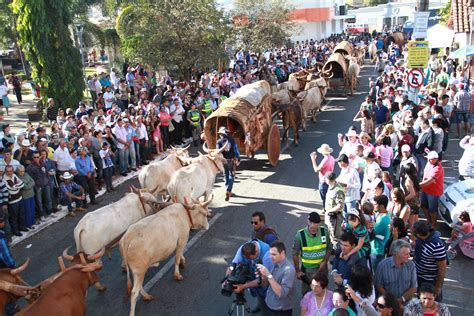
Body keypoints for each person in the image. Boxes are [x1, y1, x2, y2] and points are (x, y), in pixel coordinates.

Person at [229, 239, 272, 314]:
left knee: (269, 303)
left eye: (252, 258)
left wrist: (242, 287)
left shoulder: (267, 254)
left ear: (256, 252)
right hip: (256, 278)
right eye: (248, 259)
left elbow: (263, 280)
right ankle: (261, 305)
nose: (251, 260)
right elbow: (232, 266)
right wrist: (227, 278)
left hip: (269, 282)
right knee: (260, 297)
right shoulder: (244, 248)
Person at [292, 212, 331, 295]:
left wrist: (324, 262)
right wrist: (297, 271)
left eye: (315, 223)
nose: (312, 225)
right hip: (307, 271)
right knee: (307, 293)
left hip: (322, 270)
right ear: (307, 221)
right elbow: (295, 253)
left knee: (322, 291)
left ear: (319, 223)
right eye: (310, 222)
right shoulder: (300, 235)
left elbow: (329, 249)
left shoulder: (324, 232)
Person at [256, 241, 296, 316]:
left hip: (280, 311)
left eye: (274, 254)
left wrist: (268, 275)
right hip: (269, 305)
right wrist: (263, 276)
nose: (271, 257)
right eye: (270, 254)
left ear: (282, 253)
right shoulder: (275, 263)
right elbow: (265, 285)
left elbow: (282, 293)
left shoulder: (289, 270)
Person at [375, 239, 417, 306]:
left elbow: (413, 287)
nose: (409, 256)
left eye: (409, 253)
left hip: (406, 304)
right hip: (387, 304)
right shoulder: (382, 265)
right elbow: (378, 286)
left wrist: (401, 300)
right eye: (406, 254)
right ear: (396, 253)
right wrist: (392, 301)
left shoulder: (411, 265)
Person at [412, 221, 447, 302]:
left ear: (419, 234)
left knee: (432, 303)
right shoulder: (420, 240)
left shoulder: (437, 246)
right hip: (419, 277)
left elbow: (442, 268)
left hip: (430, 281)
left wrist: (438, 286)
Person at [419, 151, 444, 229]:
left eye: (431, 159)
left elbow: (430, 181)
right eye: (428, 159)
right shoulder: (429, 163)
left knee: (432, 209)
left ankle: (433, 224)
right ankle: (429, 220)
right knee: (423, 206)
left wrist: (417, 186)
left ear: (436, 159)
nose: (429, 160)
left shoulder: (438, 168)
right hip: (425, 190)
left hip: (433, 192)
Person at [216, 127, 240, 201]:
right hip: (231, 160)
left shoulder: (218, 142)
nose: (219, 135)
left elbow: (217, 152)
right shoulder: (232, 140)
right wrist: (238, 158)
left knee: (226, 175)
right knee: (231, 175)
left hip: (223, 161)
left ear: (221, 134)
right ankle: (229, 190)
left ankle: (227, 189)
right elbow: (236, 150)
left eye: (220, 134)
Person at [336, 154, 361, 222]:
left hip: (351, 198)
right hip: (343, 196)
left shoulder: (353, 171)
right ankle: (345, 228)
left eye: (339, 162)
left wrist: (349, 185)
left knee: (350, 216)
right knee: (344, 214)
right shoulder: (343, 170)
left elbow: (358, 185)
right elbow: (340, 179)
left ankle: (351, 230)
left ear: (342, 162)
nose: (338, 164)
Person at [310, 144, 335, 212]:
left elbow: (316, 169)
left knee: (324, 197)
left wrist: (313, 160)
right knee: (327, 197)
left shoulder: (325, 160)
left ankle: (326, 210)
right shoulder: (332, 158)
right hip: (329, 179)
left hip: (324, 181)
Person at [3, 165, 26, 237]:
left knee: (21, 214)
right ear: (5, 171)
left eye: (10, 171)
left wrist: (16, 186)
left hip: (19, 198)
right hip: (12, 201)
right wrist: (17, 186)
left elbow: (22, 184)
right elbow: (11, 191)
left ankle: (22, 227)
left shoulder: (14, 175)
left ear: (12, 171)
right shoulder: (4, 179)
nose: (9, 173)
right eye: (7, 171)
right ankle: (15, 231)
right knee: (14, 216)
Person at [324, 172, 345, 249]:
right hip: (330, 215)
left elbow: (340, 206)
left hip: (335, 217)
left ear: (329, 180)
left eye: (326, 178)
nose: (325, 179)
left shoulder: (338, 190)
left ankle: (337, 252)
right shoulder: (330, 186)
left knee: (335, 236)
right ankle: (331, 249)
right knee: (330, 233)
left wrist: (329, 211)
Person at [371, 195, 391, 272]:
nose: (374, 206)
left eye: (375, 204)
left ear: (382, 206)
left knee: (375, 275)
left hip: (377, 251)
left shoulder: (383, 219)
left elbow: (371, 232)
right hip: (376, 249)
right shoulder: (380, 215)